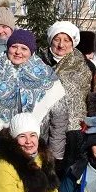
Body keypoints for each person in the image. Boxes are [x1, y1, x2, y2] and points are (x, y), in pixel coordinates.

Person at [0, 29, 68, 162]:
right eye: (14, 47)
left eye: (24, 48)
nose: (18, 52)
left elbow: (59, 118)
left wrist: (54, 155)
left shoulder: (46, 75)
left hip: (36, 150)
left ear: (31, 51)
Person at [39, 21, 92, 174]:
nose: (61, 44)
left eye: (66, 40)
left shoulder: (84, 66)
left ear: (73, 43)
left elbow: (89, 96)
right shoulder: (39, 63)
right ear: (51, 41)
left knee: (71, 174)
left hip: (74, 130)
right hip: (45, 129)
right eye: (57, 39)